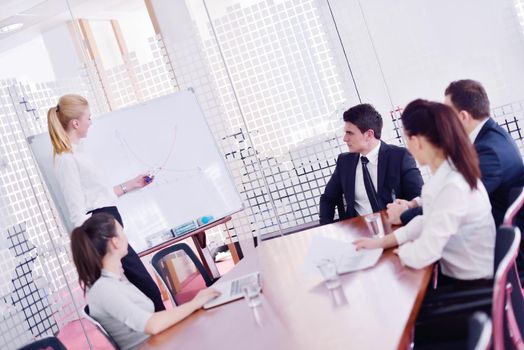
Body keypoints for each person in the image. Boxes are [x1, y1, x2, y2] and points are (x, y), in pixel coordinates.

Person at [354, 99, 495, 286]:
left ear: (416, 142)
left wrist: (399, 253)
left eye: (407, 140)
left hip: (472, 285)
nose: (408, 148)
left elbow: (425, 253)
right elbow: (426, 221)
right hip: (462, 275)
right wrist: (382, 242)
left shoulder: (452, 186)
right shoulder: (449, 174)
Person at [47, 94, 165, 311]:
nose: (90, 123)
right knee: (148, 292)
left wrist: (131, 184)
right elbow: (77, 213)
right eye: (88, 118)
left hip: (110, 228)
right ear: (75, 123)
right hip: (104, 235)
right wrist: (99, 248)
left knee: (147, 291)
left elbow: (97, 196)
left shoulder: (79, 153)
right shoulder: (66, 160)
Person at [71, 213, 219, 350]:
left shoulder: (114, 282)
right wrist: (195, 303)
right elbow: (152, 325)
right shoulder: (104, 289)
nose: (125, 236)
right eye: (122, 230)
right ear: (115, 242)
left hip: (162, 341)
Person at [388, 79, 524, 227]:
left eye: (448, 113)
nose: (444, 120)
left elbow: (454, 204)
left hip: (492, 236)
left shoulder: (489, 152)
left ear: (463, 116)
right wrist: (414, 204)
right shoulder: (488, 137)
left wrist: (404, 215)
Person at [318, 103, 423, 225]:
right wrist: (326, 228)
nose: (345, 138)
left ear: (369, 135)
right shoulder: (344, 162)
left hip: (397, 226)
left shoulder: (400, 157)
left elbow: (418, 197)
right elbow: (328, 198)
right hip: (358, 230)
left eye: (350, 133)